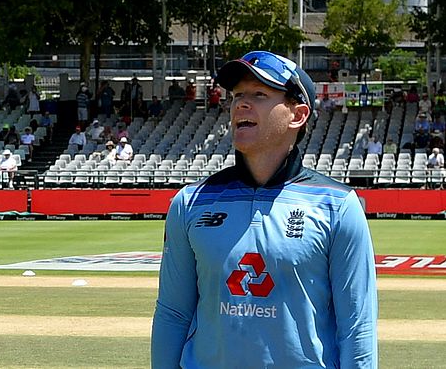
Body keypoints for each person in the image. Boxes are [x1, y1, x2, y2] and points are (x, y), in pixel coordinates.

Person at [152, 51, 377, 368]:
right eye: (237, 95)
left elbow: (357, 327)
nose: (241, 104)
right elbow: (173, 313)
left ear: (297, 115)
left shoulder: (337, 205)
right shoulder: (190, 202)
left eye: (259, 94)